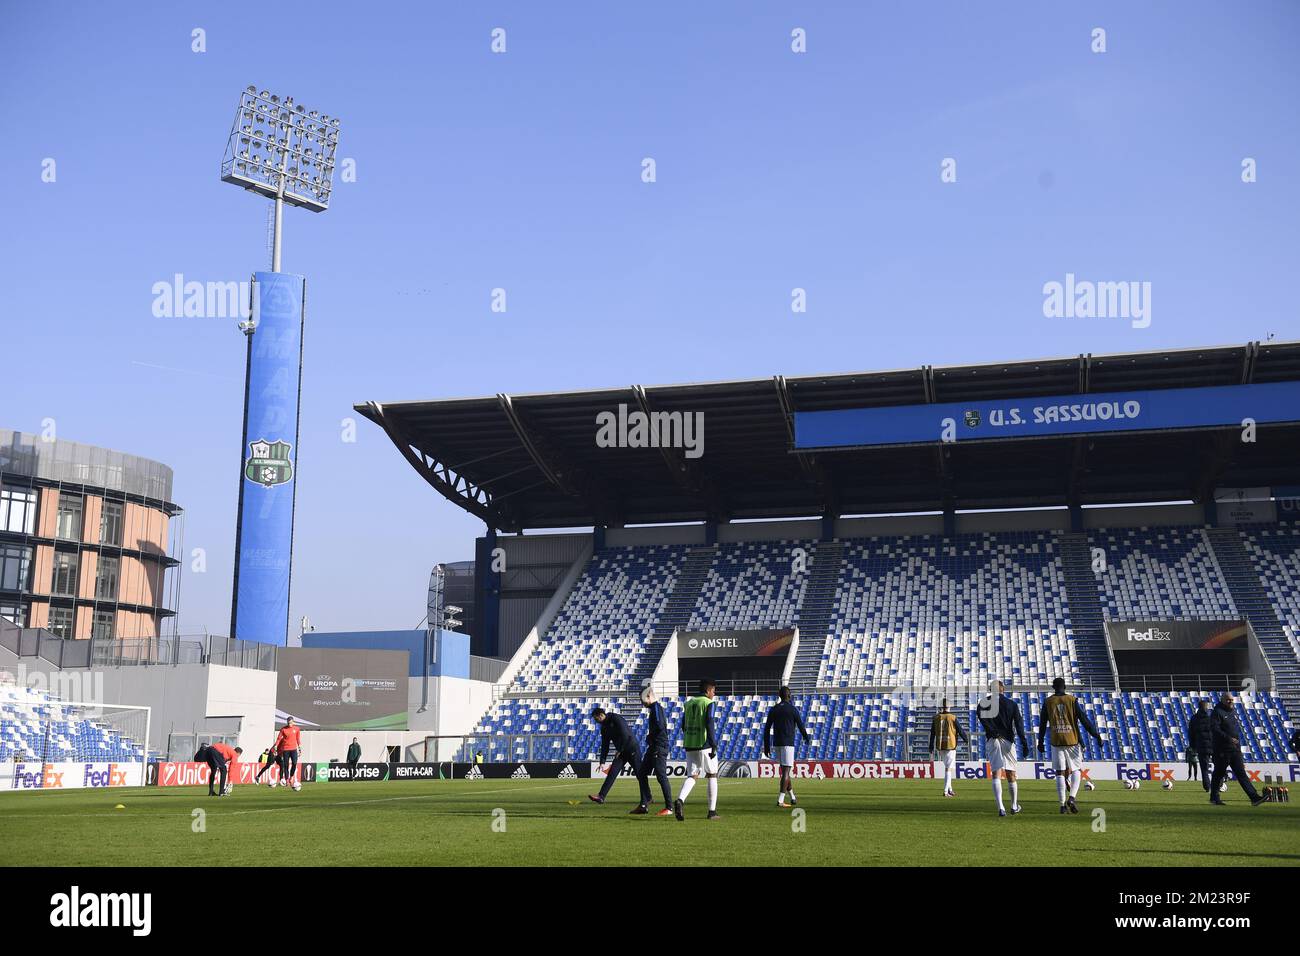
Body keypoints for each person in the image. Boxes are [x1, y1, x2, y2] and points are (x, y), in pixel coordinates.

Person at [1036, 677, 1103, 814]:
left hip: (1056, 741)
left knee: (1059, 773)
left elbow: (1042, 724)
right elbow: (1084, 720)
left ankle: (1062, 805)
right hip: (1072, 740)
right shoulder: (1072, 700)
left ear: (1053, 687)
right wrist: (1096, 735)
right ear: (1065, 687)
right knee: (1076, 770)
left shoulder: (1048, 702)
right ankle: (1072, 798)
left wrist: (1040, 741)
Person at [976, 680, 1030, 817]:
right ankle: (1013, 805)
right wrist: (1024, 743)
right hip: (1008, 740)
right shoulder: (1012, 704)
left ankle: (1001, 807)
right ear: (1002, 689)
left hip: (993, 739)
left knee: (996, 773)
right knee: (1011, 773)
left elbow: (982, 720)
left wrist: (992, 729)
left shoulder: (983, 703)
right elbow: (1019, 725)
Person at [1208, 692, 1266, 807]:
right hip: (1222, 750)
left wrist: (1239, 751)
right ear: (1223, 700)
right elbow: (1215, 730)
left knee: (1241, 774)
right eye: (1228, 700)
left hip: (1234, 750)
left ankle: (1254, 798)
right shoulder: (1217, 712)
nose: (1231, 702)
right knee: (1218, 774)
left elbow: (1236, 734)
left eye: (1232, 700)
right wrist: (1229, 739)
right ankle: (1214, 798)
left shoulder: (1232, 712)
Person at [675, 679, 721, 821]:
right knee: (712, 775)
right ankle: (712, 812)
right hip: (705, 744)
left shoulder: (688, 703)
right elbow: (709, 721)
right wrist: (713, 743)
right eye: (713, 691)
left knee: (692, 776)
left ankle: (680, 800)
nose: (714, 694)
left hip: (690, 743)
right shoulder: (709, 703)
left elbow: (683, 724)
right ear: (708, 690)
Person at [588, 706, 648, 810]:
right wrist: (602, 762)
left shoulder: (616, 718)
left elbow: (625, 735)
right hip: (621, 752)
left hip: (631, 748)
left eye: (596, 719)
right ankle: (601, 796)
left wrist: (620, 750)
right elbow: (605, 745)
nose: (596, 721)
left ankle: (646, 799)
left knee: (640, 775)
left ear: (601, 715)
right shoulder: (604, 728)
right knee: (612, 773)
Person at [764, 686, 811, 807]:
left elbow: (767, 729)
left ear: (780, 696)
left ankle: (793, 797)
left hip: (777, 743)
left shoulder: (774, 709)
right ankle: (780, 800)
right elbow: (800, 726)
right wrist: (806, 738)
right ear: (789, 696)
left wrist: (766, 746)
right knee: (786, 771)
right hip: (788, 743)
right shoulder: (793, 709)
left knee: (785, 770)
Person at [637, 688, 674, 816]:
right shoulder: (654, 709)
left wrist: (650, 736)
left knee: (661, 776)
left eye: (643, 700)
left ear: (648, 696)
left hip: (659, 746)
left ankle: (669, 807)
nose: (642, 703)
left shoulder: (656, 708)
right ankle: (646, 800)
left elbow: (660, 725)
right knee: (641, 772)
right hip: (654, 746)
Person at [928, 697, 968, 797]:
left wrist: (930, 746)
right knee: (948, 768)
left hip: (940, 745)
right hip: (951, 744)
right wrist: (966, 739)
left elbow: (932, 733)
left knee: (949, 767)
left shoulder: (936, 718)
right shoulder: (953, 717)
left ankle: (950, 789)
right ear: (949, 707)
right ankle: (946, 791)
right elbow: (960, 730)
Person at [1187, 699, 1214, 792]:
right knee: (1219, 766)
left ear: (1198, 707)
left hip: (1201, 746)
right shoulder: (1212, 718)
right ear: (1207, 707)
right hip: (1213, 745)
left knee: (1204, 768)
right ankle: (1219, 784)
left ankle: (1207, 787)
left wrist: (1193, 746)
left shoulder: (1194, 718)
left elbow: (1191, 734)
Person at [274, 717, 302, 789]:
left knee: (294, 763)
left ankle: (291, 776)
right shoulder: (283, 729)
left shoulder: (297, 729)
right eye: (288, 722)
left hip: (293, 749)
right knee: (286, 765)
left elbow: (298, 739)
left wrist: (299, 747)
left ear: (293, 722)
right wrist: (276, 745)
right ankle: (286, 779)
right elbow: (279, 738)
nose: (290, 724)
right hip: (286, 749)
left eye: (291, 722)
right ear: (287, 722)